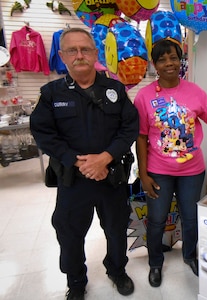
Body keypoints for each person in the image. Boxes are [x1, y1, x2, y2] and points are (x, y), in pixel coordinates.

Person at [30, 28, 139, 300]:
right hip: (73, 180)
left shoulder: (115, 89)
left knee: (116, 229)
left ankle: (117, 270)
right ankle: (76, 282)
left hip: (110, 176)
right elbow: (43, 133)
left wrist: (105, 158)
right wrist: (78, 162)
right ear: (61, 56)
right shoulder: (51, 94)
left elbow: (129, 127)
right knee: (69, 234)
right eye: (72, 50)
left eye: (85, 49)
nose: (79, 55)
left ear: (95, 54)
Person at [134, 38, 207, 288]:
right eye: (162, 59)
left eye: (173, 57)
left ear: (180, 60)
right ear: (155, 64)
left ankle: (190, 256)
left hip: (192, 170)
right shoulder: (144, 96)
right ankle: (155, 263)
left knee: (191, 217)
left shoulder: (195, 91)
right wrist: (143, 173)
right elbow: (140, 137)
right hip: (158, 170)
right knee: (157, 218)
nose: (168, 63)